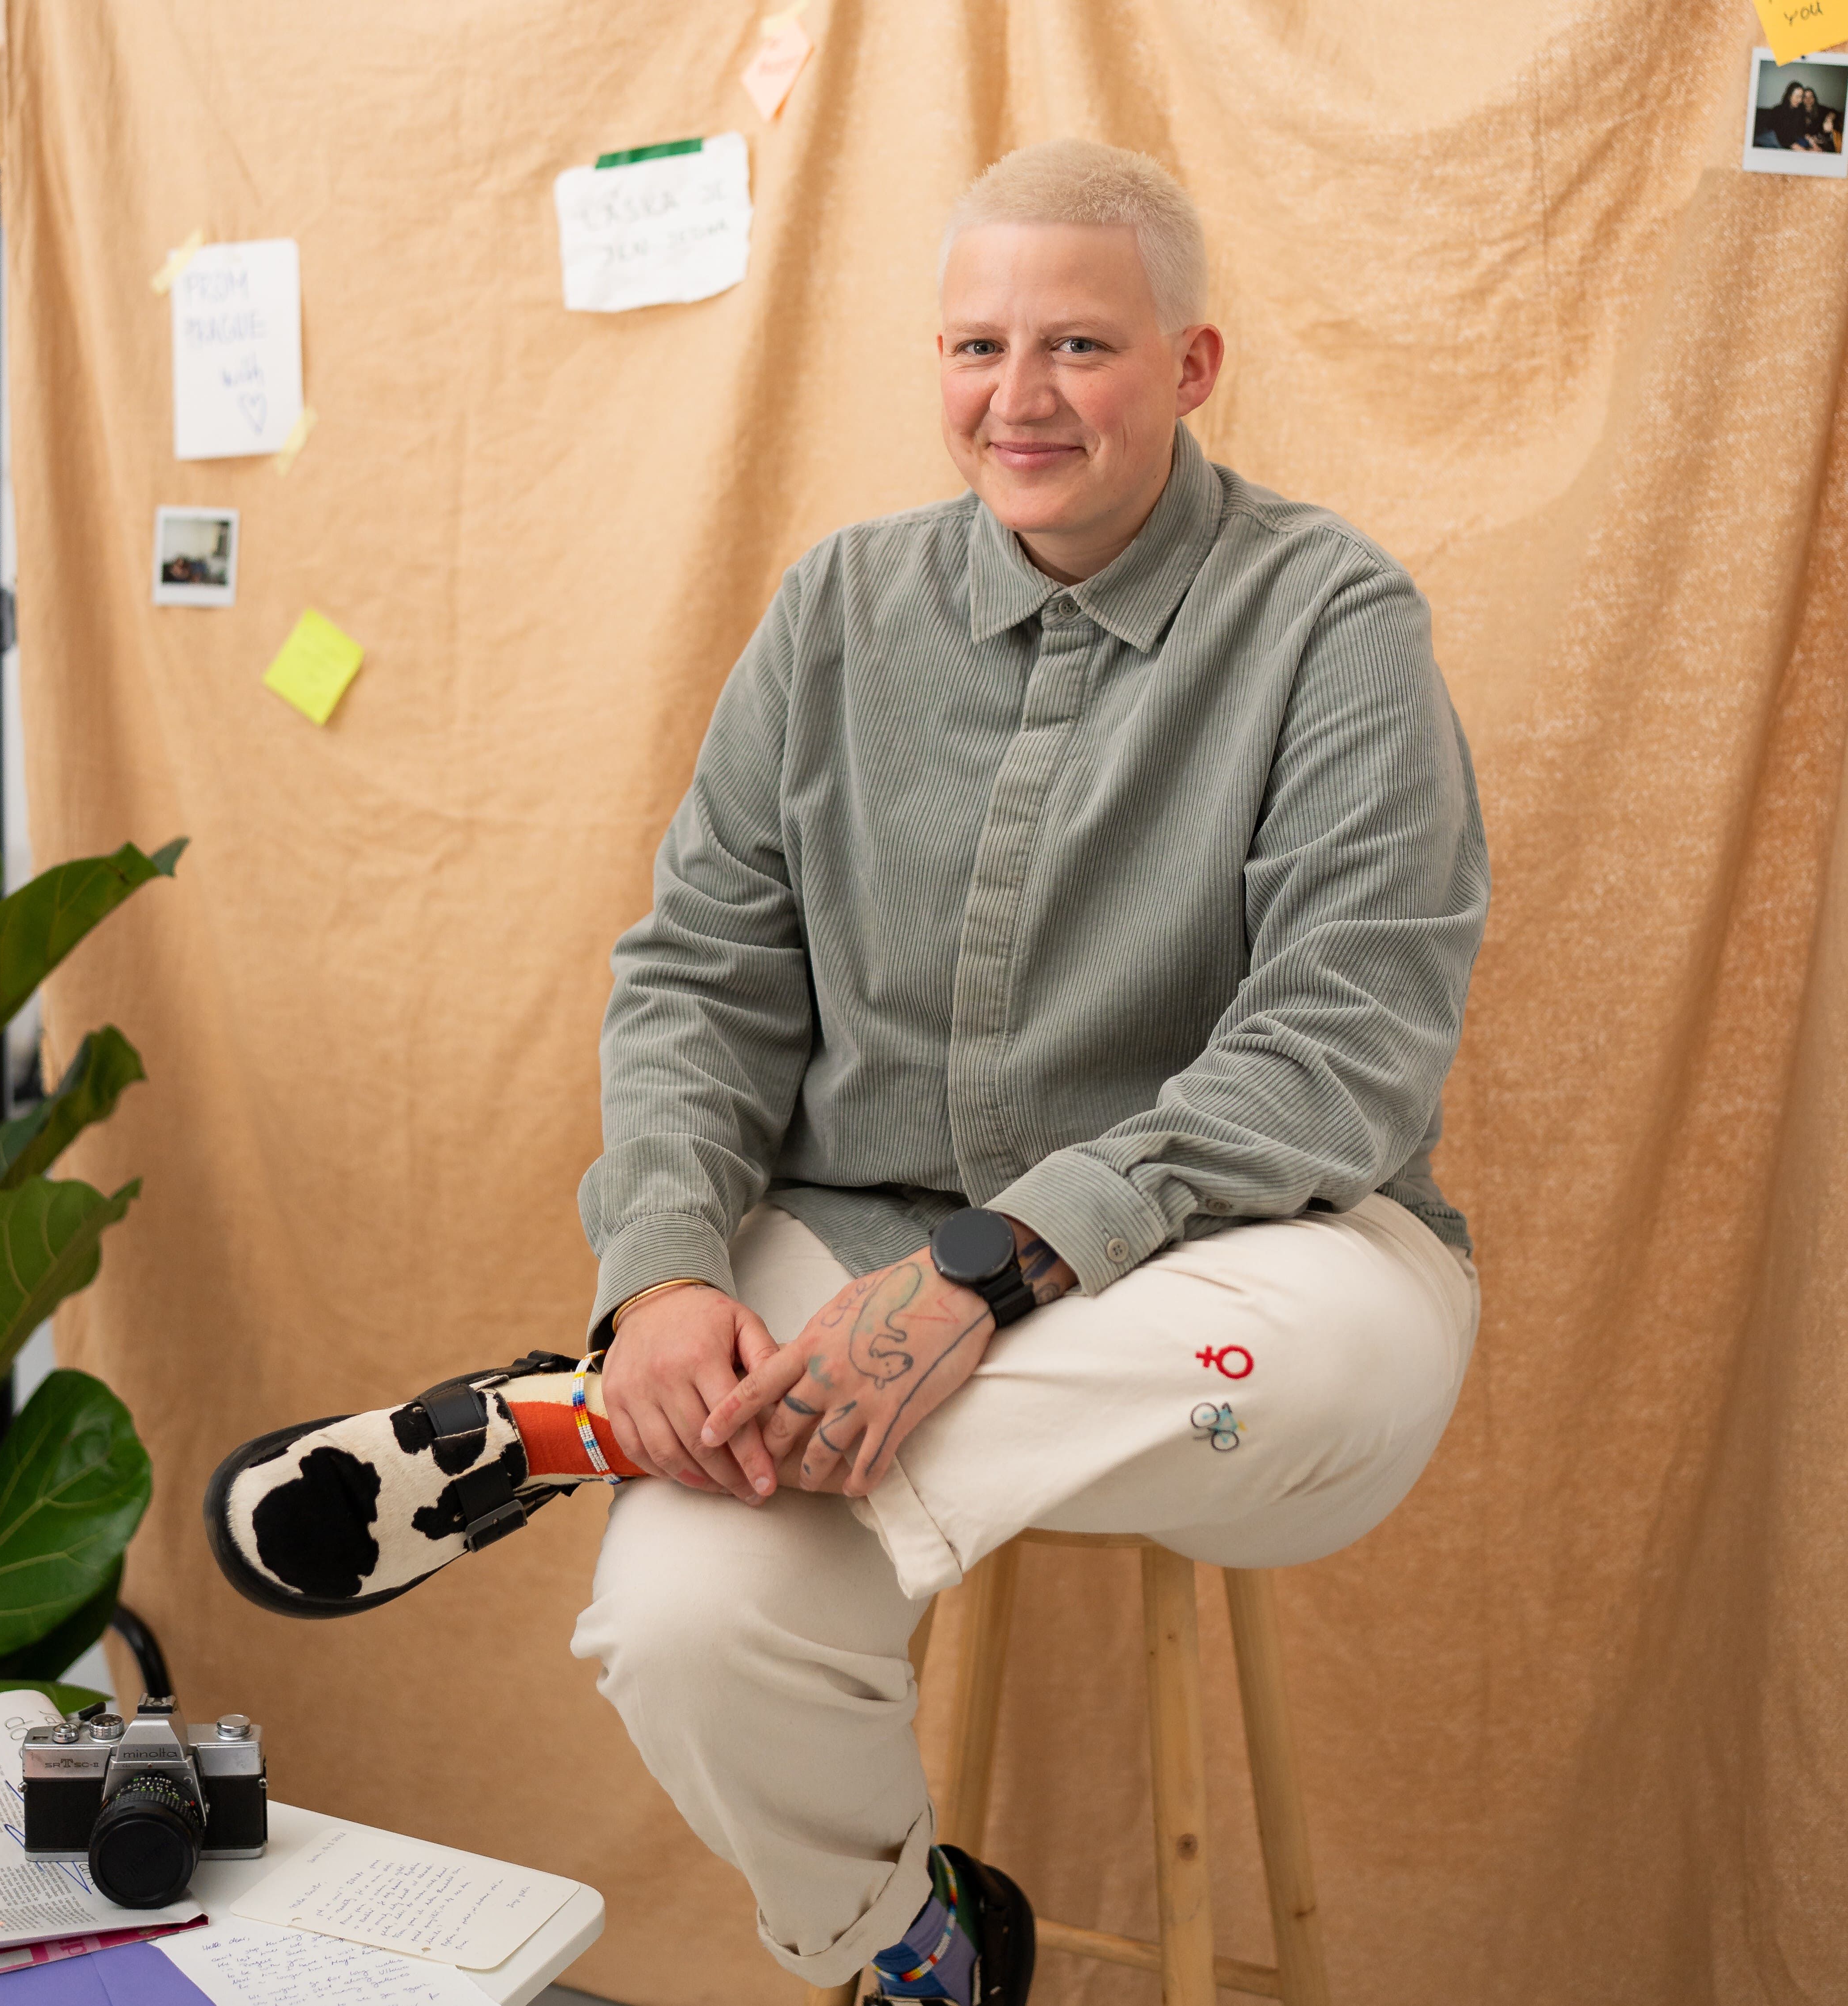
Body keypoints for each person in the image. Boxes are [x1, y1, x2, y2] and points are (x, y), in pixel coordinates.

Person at [206, 139, 1489, 2006]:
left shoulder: (1333, 620)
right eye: (976, 346)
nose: (1018, 397)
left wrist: (985, 1276)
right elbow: (696, 983)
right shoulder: (830, 611)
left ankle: (590, 1430)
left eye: (1078, 346)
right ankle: (917, 1946)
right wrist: (663, 1277)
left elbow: (1341, 1041)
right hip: (845, 1240)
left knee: (1313, 1375)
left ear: (1192, 365)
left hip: (1226, 1279)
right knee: (678, 1622)